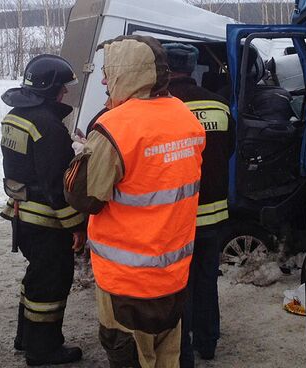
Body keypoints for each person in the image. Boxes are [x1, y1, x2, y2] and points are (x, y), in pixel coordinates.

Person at [63, 35, 205, 368]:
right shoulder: (184, 117)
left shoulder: (115, 126)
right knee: (167, 357)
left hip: (127, 283)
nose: (103, 80)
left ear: (128, 74)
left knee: (129, 354)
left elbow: (82, 197)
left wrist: (80, 158)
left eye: (108, 73)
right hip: (173, 275)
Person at [0, 54, 86, 366]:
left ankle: (26, 338)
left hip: (21, 214)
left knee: (36, 277)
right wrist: (76, 225)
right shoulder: (47, 125)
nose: (64, 94)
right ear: (50, 89)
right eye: (62, 88)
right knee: (51, 282)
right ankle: (43, 350)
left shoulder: (15, 116)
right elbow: (55, 183)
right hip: (45, 220)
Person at [162, 43, 235, 367]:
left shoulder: (164, 107)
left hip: (177, 214)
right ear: (192, 68)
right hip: (215, 211)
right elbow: (229, 149)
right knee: (207, 278)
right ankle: (209, 342)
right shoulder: (220, 105)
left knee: (180, 283)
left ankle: (184, 347)